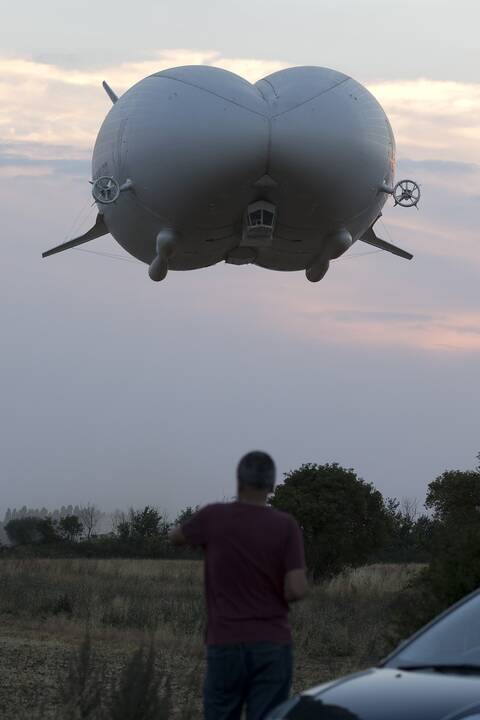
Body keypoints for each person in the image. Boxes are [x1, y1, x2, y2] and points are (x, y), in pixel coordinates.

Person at [169, 450, 308, 720]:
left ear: (238, 482)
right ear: (271, 486)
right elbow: (297, 589)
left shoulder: (213, 517)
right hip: (272, 644)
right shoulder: (286, 526)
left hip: (226, 642)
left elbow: (176, 536)